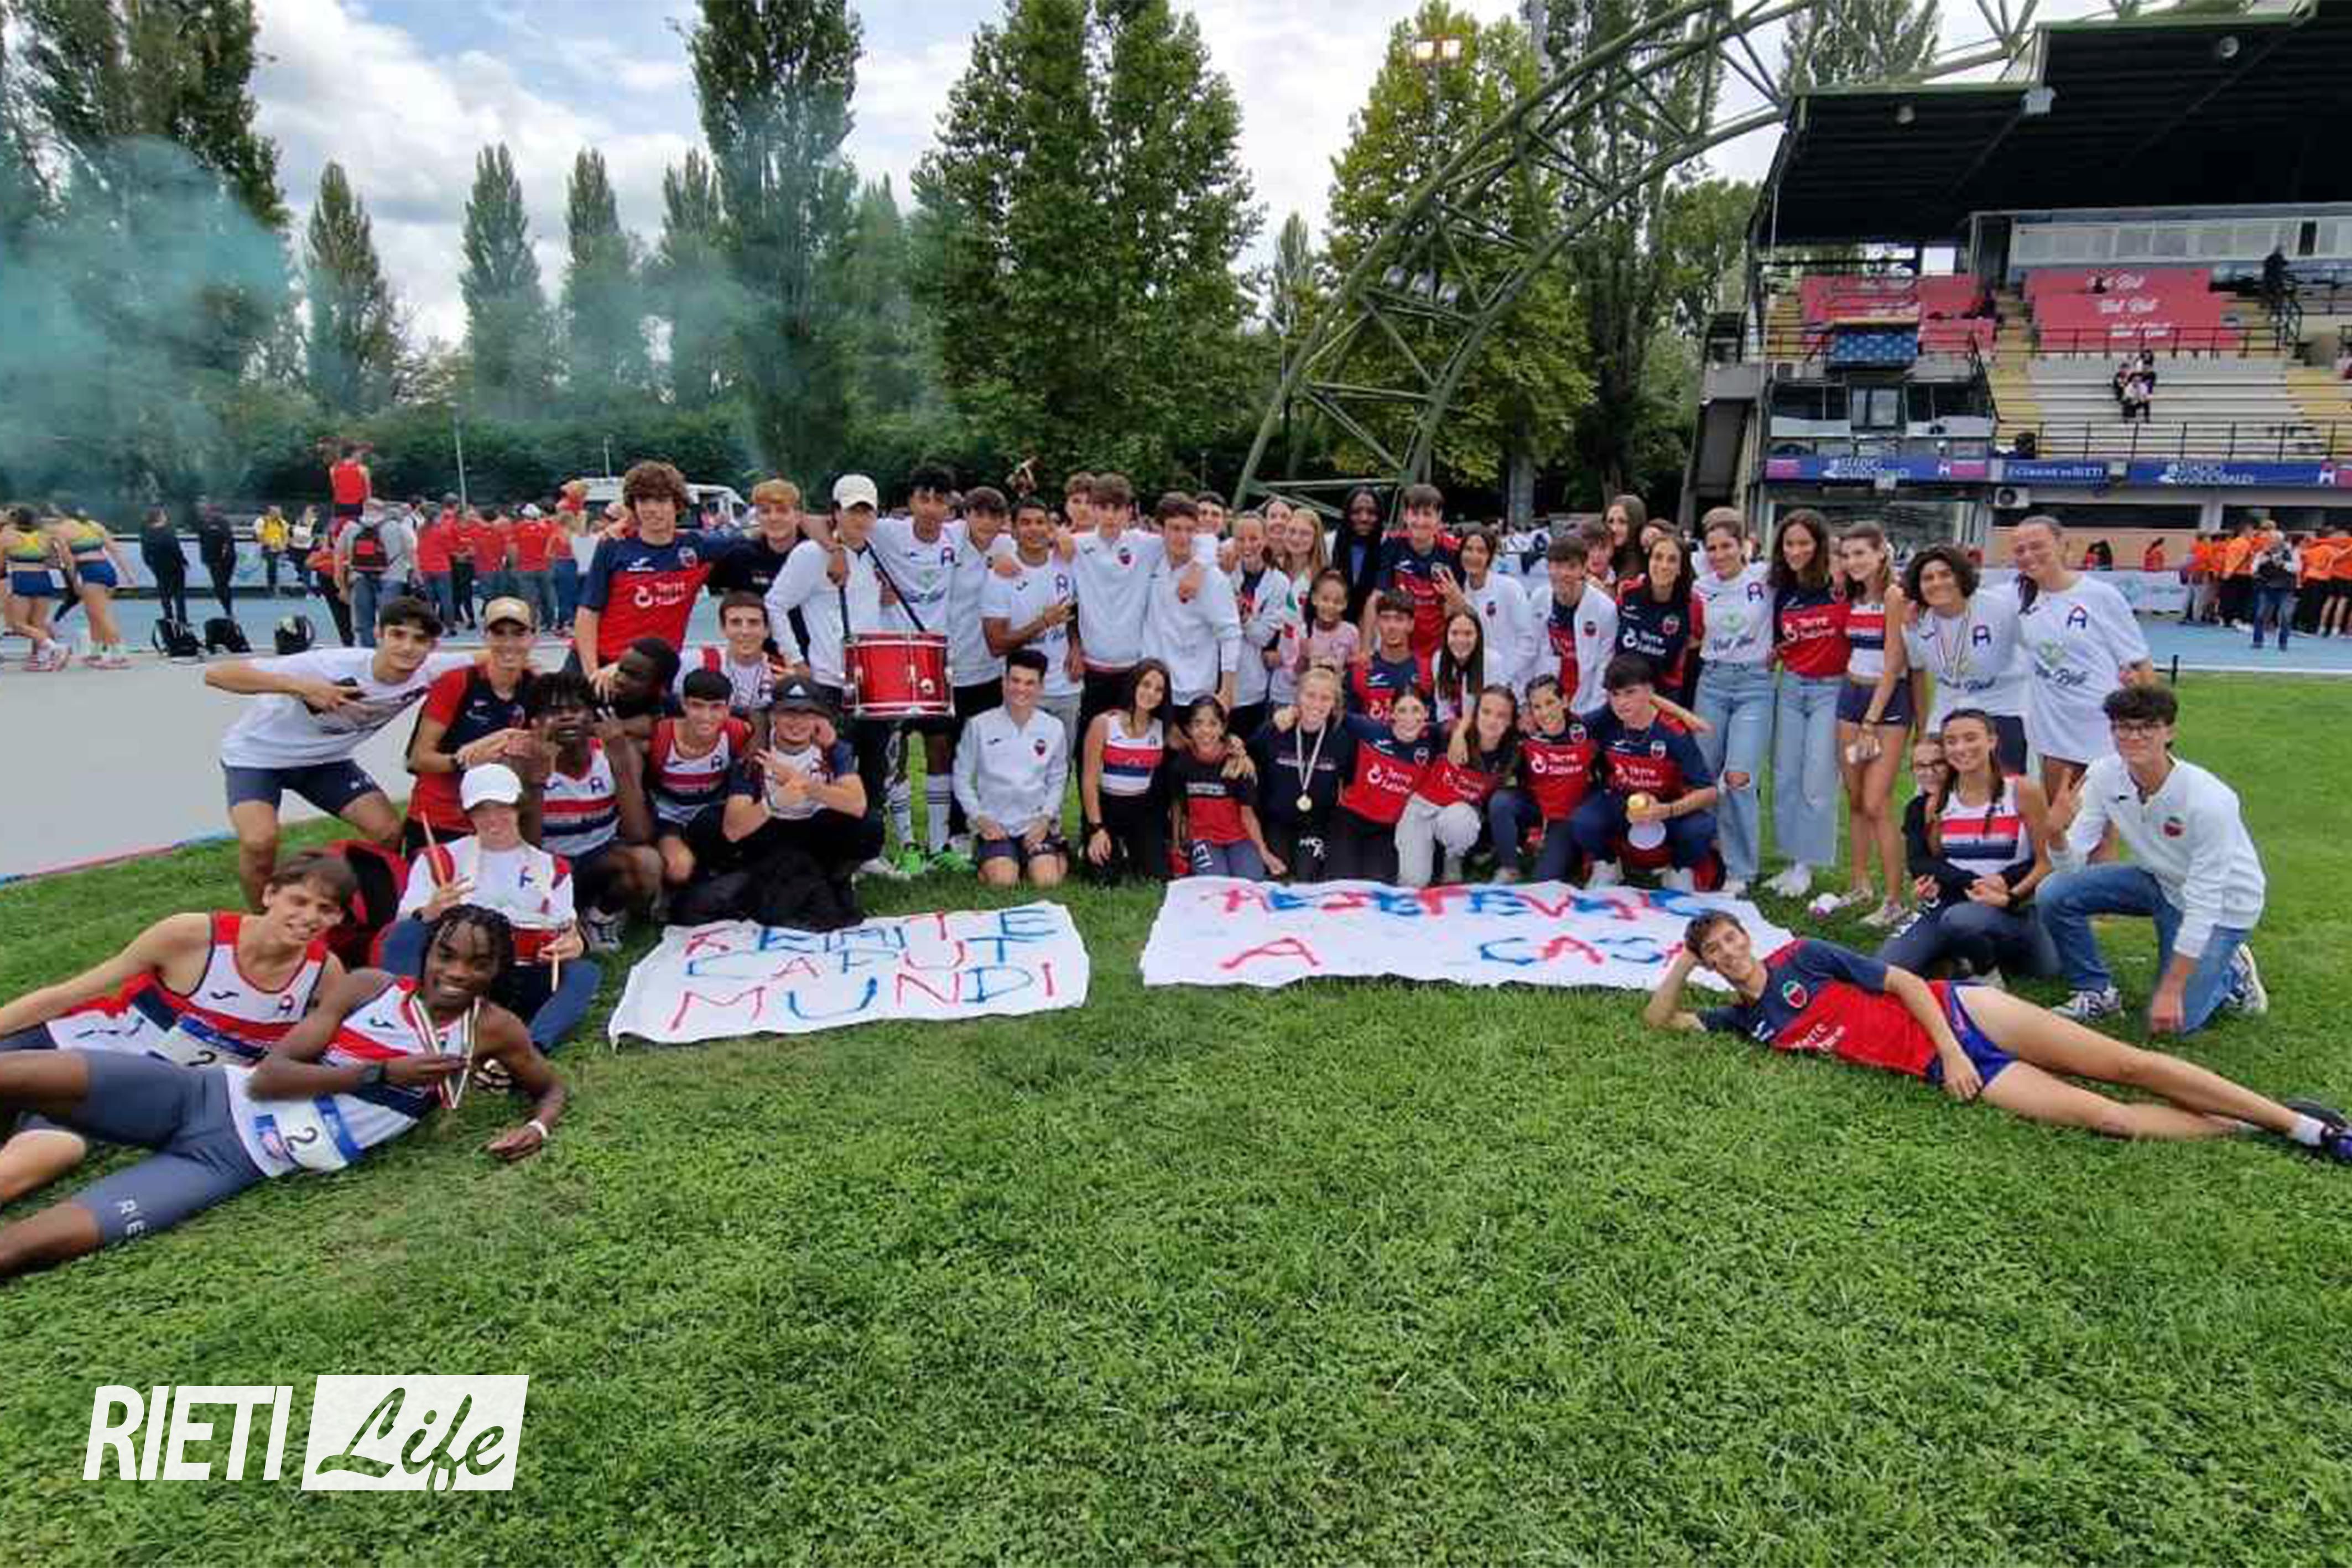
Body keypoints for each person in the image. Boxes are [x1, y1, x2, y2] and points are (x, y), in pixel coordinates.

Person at [0, 907, 566, 1280]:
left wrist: (537, 1126)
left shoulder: (494, 1030)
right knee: (15, 1072)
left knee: (21, 1247)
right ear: (427, 952)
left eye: (478, 963)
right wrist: (380, 1074)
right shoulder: (369, 988)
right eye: (446, 955)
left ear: (499, 969)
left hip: (228, 1162)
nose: (457, 972)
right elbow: (271, 1075)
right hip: (201, 1096)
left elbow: (549, 1085)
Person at [1644, 910, 2350, 1162]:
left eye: (1731, 939)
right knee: (2108, 1119)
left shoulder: (1802, 957)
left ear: (1747, 938)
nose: (1730, 953)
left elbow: (1907, 983)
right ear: (1709, 964)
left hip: (1964, 1019)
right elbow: (1661, 1021)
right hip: (1947, 1071)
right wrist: (1681, 960)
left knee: (2127, 1065)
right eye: (1715, 952)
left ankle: (2308, 1129)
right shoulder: (1747, 1021)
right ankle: (2250, 1126)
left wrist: (1953, 1051)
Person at [0, 852, 352, 1207]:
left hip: (113, 1093)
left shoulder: (324, 977)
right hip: (63, 1042)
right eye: (299, 901)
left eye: (325, 909)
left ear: (338, 918)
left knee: (49, 1155)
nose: (310, 917)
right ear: (269, 894)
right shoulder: (192, 935)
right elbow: (67, 994)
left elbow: (323, 1058)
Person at [208, 593, 475, 909]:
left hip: (326, 761)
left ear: (433, 646)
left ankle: (381, 907)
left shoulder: (430, 670)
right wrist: (304, 687)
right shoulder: (328, 664)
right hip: (258, 757)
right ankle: (263, 922)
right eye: (398, 635)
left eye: (420, 639)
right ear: (378, 634)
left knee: (389, 832)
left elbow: (499, 654)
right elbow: (218, 674)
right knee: (259, 841)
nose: (407, 647)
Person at [2037, 684, 2268, 1033]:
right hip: (2161, 881)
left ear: (2169, 732)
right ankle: (2097, 992)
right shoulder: (2104, 774)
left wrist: (2172, 990)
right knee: (2055, 891)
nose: (2134, 737)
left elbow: (2205, 900)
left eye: (2147, 727)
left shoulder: (2209, 799)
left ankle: (2234, 972)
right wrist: (2056, 833)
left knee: (2174, 1024)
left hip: (2224, 906)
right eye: (2123, 727)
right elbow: (2070, 869)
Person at [382, 765, 597, 1055]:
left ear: (518, 807)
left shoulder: (552, 868)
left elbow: (567, 928)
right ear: (468, 814)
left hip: (520, 974)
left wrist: (573, 944)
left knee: (584, 973)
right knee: (406, 933)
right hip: (457, 972)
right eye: (481, 811)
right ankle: (403, 1021)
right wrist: (430, 911)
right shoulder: (440, 859)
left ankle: (531, 1047)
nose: (493, 819)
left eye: (502, 807)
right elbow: (405, 924)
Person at [1875, 712, 2059, 985]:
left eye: (1971, 738)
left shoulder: (2023, 792)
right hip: (1954, 905)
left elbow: (2047, 861)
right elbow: (1933, 863)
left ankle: (1986, 960)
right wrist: (1930, 887)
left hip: (2014, 906)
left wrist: (2010, 896)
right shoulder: (1935, 803)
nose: (1961, 748)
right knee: (1886, 967)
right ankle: (1970, 963)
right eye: (1951, 741)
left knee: (2044, 970)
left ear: (1992, 741)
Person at [715, 677, 880, 930]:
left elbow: (857, 805)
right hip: (774, 831)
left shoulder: (833, 749)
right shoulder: (755, 752)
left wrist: (801, 784)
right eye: (789, 713)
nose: (797, 722)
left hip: (815, 829)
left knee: (870, 825)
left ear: (819, 719)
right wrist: (774, 802)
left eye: (807, 714)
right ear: (773, 716)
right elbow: (733, 830)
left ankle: (838, 874)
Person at [2010, 514, 2153, 801]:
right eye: (2020, 550)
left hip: (2105, 732)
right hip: (2054, 736)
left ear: (2064, 546)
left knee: (2108, 822)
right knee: (2061, 820)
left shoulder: (2101, 596)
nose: (2028, 555)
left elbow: (2140, 664)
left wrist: (2152, 728)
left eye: (2037, 546)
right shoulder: (2016, 598)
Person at [1815, 523, 1914, 926]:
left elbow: (1894, 664)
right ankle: (1860, 884)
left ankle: (1895, 900)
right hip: (1850, 698)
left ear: (1880, 553)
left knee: (1877, 803)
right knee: (1855, 799)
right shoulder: (1854, 596)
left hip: (1886, 706)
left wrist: (1872, 719)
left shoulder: (1894, 595)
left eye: (1861, 553)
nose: (1853, 561)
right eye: (1847, 554)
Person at [526, 672, 662, 952]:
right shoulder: (520, 761)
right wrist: (536, 783)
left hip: (597, 861)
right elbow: (528, 847)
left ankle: (601, 916)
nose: (567, 717)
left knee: (648, 862)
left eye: (576, 709)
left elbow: (639, 834)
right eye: (555, 712)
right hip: (544, 868)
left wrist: (621, 765)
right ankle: (564, 917)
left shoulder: (614, 752)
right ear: (535, 722)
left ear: (593, 716)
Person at [404, 595, 541, 852]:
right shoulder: (456, 682)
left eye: (519, 634)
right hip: (442, 817)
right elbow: (418, 759)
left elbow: (541, 755)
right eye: (499, 634)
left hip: (499, 819)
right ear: (485, 637)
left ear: (534, 637)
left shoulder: (536, 686)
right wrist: (463, 760)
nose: (509, 643)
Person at [1575, 653, 1719, 891]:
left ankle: (1679, 869)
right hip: (1621, 804)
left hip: (1666, 806)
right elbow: (1568, 725)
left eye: (1630, 693)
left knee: (1701, 827)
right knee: (1584, 819)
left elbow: (1710, 792)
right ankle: (1608, 865)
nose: (1622, 702)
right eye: (1615, 695)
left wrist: (1667, 810)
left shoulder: (1673, 732)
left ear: (1650, 692)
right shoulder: (1607, 719)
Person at [1690, 509, 1773, 896]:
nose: (1720, 554)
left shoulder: (1765, 578)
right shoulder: (1700, 587)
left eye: (1727, 546)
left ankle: (1741, 869)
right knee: (1704, 773)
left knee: (1739, 777)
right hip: (1712, 682)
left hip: (1754, 684)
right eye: (1712, 548)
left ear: (1743, 546)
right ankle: (1703, 858)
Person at [577, 461, 724, 679]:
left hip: (654, 670)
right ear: (633, 506)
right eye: (644, 500)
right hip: (603, 663)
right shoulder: (614, 545)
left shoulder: (698, 548)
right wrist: (592, 672)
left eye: (661, 500)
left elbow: (756, 538)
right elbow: (588, 612)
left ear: (678, 505)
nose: (652, 509)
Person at [1766, 509, 1847, 899]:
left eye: (1804, 543)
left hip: (1831, 689)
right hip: (1792, 685)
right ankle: (1789, 859)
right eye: (1789, 544)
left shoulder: (1840, 585)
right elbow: (1780, 639)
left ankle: (1807, 864)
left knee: (1817, 778)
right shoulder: (1782, 589)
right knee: (1785, 775)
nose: (1796, 551)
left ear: (1819, 545)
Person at [1901, 543, 2029, 774]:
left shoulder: (1997, 607)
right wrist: (1923, 729)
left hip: (2002, 706)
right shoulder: (1917, 621)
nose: (1937, 583)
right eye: (1928, 578)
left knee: (2004, 784)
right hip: (1950, 707)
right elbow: (1916, 667)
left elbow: (2033, 646)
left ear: (1960, 576)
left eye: (1945, 575)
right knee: (1936, 782)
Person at [953, 649, 1069, 888]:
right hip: (996, 826)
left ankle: (1053, 852)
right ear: (1004, 682)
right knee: (1003, 881)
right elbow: (961, 778)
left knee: (1047, 881)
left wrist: (1045, 819)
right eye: (1015, 681)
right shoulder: (979, 725)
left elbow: (1058, 779)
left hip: (1034, 824)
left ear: (1041, 687)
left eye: (1030, 683)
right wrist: (980, 819)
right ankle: (997, 860)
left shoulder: (1054, 727)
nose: (1021, 689)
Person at [983, 493, 1085, 752]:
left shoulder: (1065, 563)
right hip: (1023, 690)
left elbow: (1072, 612)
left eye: (1040, 522)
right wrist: (1042, 623)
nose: (1034, 529)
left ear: (1050, 527)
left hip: (1065, 687)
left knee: (1061, 766)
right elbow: (996, 645)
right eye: (1026, 523)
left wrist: (1076, 646)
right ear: (1013, 530)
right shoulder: (1000, 575)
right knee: (1022, 766)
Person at [646, 668, 756, 893]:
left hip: (711, 815)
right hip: (669, 816)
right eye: (697, 706)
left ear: (728, 708)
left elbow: (761, 721)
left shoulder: (736, 731)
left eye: (716, 707)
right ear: (684, 705)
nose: (706, 716)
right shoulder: (661, 735)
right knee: (679, 869)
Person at [1396, 685, 1518, 887]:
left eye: (1501, 715)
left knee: (1462, 821)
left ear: (1511, 720)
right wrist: (1460, 731)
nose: (1492, 720)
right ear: (1475, 714)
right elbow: (1413, 730)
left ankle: (1453, 856)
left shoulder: (1511, 751)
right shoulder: (1450, 734)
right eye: (1486, 712)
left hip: (1456, 815)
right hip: (1422, 808)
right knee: (1413, 881)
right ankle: (1427, 852)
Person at [1488, 674, 1596, 884]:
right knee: (1501, 802)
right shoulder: (1526, 733)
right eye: (1537, 707)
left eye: (1550, 703)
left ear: (1565, 701)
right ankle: (1509, 868)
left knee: (1544, 881)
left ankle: (1577, 852)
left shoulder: (1586, 729)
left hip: (1566, 814)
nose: (1545, 713)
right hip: (1537, 806)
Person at [1250, 665, 1354, 883]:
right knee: (1280, 876)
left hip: (1317, 823)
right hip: (1277, 821)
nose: (1317, 704)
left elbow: (1350, 782)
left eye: (1325, 698)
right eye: (1310, 695)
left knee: (1307, 877)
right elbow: (1245, 755)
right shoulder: (1276, 730)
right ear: (1298, 697)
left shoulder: (1342, 739)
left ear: (1334, 703)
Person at [1324, 687, 1437, 883]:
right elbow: (1329, 711)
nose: (1409, 718)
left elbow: (1463, 730)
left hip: (1386, 829)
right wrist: (1291, 712)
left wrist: (1460, 733)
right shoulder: (1372, 730)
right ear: (1391, 712)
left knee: (1378, 884)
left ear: (1427, 713)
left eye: (1416, 710)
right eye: (1402, 710)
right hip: (1350, 818)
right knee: (1341, 882)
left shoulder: (1434, 740)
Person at [1142, 492, 1243, 711]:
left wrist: (1227, 691)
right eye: (1176, 528)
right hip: (1153, 690)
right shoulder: (1151, 560)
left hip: (1195, 693)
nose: (1183, 537)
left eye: (1190, 530)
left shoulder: (1212, 578)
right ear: (1160, 530)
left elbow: (1231, 634)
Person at [1081, 659, 1174, 883]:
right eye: (1146, 685)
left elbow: (1197, 745)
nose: (1151, 693)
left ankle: (1133, 849)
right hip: (1107, 809)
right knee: (1104, 880)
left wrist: (1233, 744)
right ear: (1134, 685)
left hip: (1142, 810)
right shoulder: (1104, 723)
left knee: (1157, 876)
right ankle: (1099, 845)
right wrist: (1096, 828)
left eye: (1159, 689)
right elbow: (1089, 781)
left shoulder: (1163, 728)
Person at [1168, 696, 1277, 880]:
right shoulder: (1182, 763)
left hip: (1239, 837)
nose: (1205, 730)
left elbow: (1248, 815)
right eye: (1198, 724)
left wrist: (1264, 851)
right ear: (1188, 729)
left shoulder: (1238, 764)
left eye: (1213, 724)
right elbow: (1177, 804)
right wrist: (1177, 843)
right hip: (1204, 837)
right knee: (1216, 883)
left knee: (1250, 881)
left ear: (1223, 728)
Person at [1358, 482, 1459, 661]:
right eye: (1415, 514)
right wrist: (1365, 651)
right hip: (1400, 645)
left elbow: (1456, 604)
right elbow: (1376, 598)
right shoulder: (1393, 546)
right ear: (1405, 516)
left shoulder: (1451, 551)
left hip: (1438, 647)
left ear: (1439, 517)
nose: (1420, 521)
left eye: (1427, 514)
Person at [1526, 529, 1619, 714]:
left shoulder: (1605, 609)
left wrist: (1592, 712)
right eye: (1556, 566)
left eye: (1571, 567)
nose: (1563, 574)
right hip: (1546, 696)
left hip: (1585, 697)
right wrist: (1528, 702)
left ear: (1584, 569)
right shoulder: (1538, 598)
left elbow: (1604, 667)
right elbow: (1531, 652)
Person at [1229, 510, 1297, 744]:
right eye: (1240, 539)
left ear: (1266, 539)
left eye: (1254, 538)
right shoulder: (1223, 571)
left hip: (1251, 684)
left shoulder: (1279, 583)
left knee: (1246, 751)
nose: (1247, 545)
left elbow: (1262, 637)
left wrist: (1244, 617)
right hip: (1214, 680)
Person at [1615, 531, 1703, 707]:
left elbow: (1694, 653)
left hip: (1666, 693)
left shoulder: (1693, 604)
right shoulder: (1628, 592)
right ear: (1649, 561)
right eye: (1658, 557)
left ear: (1681, 569)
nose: (1663, 566)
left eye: (1672, 560)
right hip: (1624, 686)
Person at [677, 592, 788, 729]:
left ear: (767, 630)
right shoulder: (694, 662)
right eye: (736, 623)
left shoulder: (782, 670)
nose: (745, 631)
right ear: (723, 629)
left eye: (754, 623)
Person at [335, 499, 413, 649]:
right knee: (389, 618)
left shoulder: (351, 526)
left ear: (364, 509)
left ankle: (368, 652)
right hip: (392, 576)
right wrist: (416, 574)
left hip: (360, 575)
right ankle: (389, 650)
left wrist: (340, 582)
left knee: (364, 620)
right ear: (383, 510)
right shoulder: (396, 526)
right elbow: (411, 550)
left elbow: (339, 553)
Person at [1349, 591, 1432, 721]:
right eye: (1386, 618)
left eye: (1399, 619)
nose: (1392, 626)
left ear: (1411, 624)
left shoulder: (1427, 670)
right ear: (1377, 623)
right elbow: (1350, 722)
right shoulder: (1361, 670)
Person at [3, 506, 66, 669]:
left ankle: (56, 648)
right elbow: (54, 562)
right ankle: (42, 659)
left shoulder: (7, 537)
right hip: (44, 578)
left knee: (17, 624)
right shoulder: (45, 537)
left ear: (15, 520)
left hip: (22, 578)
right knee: (39, 623)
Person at [1330, 486, 1388, 624]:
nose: (1364, 518)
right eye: (1356, 512)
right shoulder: (1331, 543)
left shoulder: (1387, 545)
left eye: (1372, 512)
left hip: (1373, 625)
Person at [1430, 609, 1489, 728]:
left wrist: (1463, 729)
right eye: (1454, 633)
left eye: (1468, 634)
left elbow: (1493, 710)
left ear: (1478, 636)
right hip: (1453, 729)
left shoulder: (1493, 662)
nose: (1461, 640)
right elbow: (1443, 711)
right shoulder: (1438, 659)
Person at [509, 503, 562, 632]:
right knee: (549, 596)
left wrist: (514, 565)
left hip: (525, 567)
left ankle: (532, 624)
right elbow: (555, 547)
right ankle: (550, 622)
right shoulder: (548, 528)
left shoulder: (518, 528)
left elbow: (513, 549)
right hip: (545, 567)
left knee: (529, 599)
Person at [138, 504, 191, 631]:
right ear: (160, 518)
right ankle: (182, 619)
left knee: (164, 593)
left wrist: (151, 566)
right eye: (164, 515)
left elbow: (145, 554)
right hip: (174, 566)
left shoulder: (146, 533)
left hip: (158, 567)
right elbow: (176, 549)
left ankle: (168, 617)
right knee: (179, 594)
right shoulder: (168, 532)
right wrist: (183, 562)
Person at [2249, 528, 2299, 652]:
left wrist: (2283, 564)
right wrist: (2260, 564)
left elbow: (2297, 568)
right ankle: (2257, 641)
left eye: (2274, 540)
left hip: (2286, 588)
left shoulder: (2292, 553)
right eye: (2270, 540)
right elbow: (2253, 570)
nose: (2271, 543)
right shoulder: (2262, 554)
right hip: (2267, 587)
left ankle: (2283, 643)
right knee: (2260, 615)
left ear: (2281, 541)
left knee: (2286, 616)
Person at [194, 497, 238, 621]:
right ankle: (227, 609)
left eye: (203, 508)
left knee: (222, 585)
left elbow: (229, 540)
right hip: (212, 560)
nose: (201, 510)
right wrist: (204, 558)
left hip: (226, 559)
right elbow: (202, 542)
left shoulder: (222, 522)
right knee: (219, 587)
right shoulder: (202, 523)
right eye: (199, 509)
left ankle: (229, 611)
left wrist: (224, 555)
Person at [326, 441, 372, 531]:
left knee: (338, 529)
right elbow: (368, 492)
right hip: (357, 505)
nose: (361, 456)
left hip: (340, 504)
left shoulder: (333, 469)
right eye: (360, 453)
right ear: (354, 454)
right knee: (357, 530)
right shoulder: (363, 469)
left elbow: (335, 487)